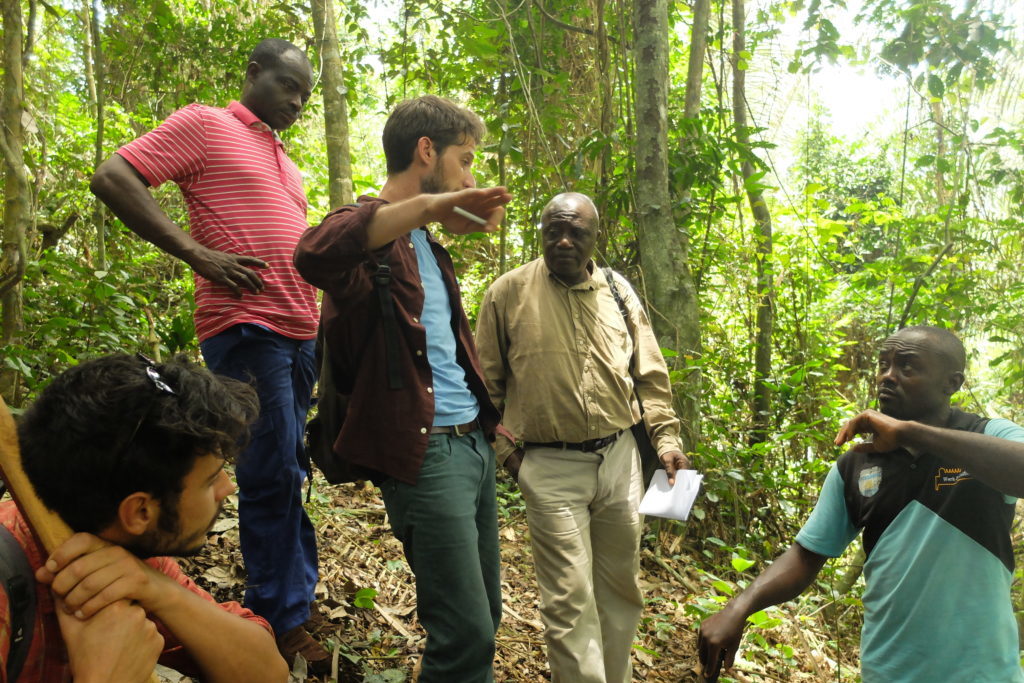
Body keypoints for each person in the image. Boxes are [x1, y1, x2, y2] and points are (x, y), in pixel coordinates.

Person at [89, 38, 326, 667]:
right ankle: (276, 622)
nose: (297, 101)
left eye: (305, 93)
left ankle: (290, 601)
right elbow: (114, 176)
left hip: (301, 335)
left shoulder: (287, 161)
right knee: (270, 470)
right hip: (248, 326)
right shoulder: (206, 125)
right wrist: (198, 254)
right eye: (287, 85)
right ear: (253, 74)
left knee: (290, 468)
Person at [293, 95, 511, 683]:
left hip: (472, 447)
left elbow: (442, 349)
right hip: (426, 455)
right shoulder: (371, 238)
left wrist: (489, 421)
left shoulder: (430, 252)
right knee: (463, 631)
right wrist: (432, 206)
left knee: (483, 617)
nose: (469, 176)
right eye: (463, 160)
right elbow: (312, 252)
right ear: (425, 151)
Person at [697, 325, 1024, 683]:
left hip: (982, 672)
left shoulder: (988, 436)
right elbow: (807, 554)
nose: (887, 377)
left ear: (952, 383)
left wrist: (910, 432)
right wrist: (739, 606)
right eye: (883, 365)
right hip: (887, 671)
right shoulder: (858, 464)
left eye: (907, 366)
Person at [474, 192, 690, 683]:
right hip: (549, 467)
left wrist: (667, 441)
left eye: (577, 232)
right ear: (541, 232)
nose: (565, 241)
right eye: (554, 230)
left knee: (621, 589)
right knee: (568, 600)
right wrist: (512, 458)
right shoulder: (507, 293)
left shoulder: (618, 290)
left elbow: (649, 375)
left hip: (619, 461)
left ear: (595, 237)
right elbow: (486, 388)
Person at [0, 353, 289, 683]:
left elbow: (268, 674)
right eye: (211, 479)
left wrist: (158, 590)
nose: (227, 488)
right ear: (139, 512)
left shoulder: (125, 556)